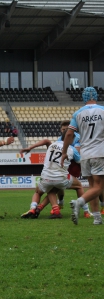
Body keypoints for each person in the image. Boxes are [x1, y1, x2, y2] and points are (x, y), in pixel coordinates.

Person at [21, 120, 91, 218]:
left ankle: (34, 208)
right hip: (61, 177)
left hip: (46, 177)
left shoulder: (52, 145)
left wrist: (30, 148)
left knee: (39, 191)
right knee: (79, 186)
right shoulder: (72, 149)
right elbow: (80, 162)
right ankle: (86, 211)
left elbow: (45, 141)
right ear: (70, 137)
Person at [61, 87, 104, 225]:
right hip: (99, 152)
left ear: (83, 98)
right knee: (99, 187)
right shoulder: (102, 110)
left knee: (92, 187)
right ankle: (79, 202)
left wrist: (64, 152)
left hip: (85, 155)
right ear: (95, 96)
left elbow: (68, 134)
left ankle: (97, 218)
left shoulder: (78, 113)